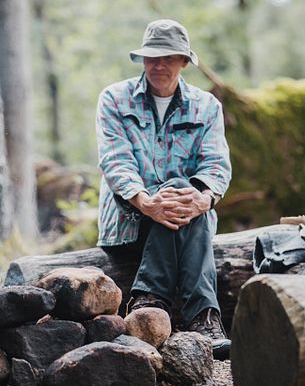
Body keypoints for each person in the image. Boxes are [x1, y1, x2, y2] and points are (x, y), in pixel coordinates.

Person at [95, 19, 232, 359]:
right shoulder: (114, 98)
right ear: (142, 60)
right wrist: (147, 202)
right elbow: (116, 163)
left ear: (184, 62)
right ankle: (203, 317)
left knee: (182, 191)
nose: (158, 65)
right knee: (175, 191)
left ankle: (148, 301)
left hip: (188, 217)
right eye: (151, 57)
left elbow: (216, 165)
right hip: (130, 219)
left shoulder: (207, 106)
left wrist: (203, 199)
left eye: (168, 57)